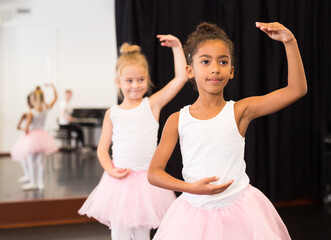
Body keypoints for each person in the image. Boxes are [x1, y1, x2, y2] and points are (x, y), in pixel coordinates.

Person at [148, 22, 307, 239]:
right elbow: (154, 173)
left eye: (223, 61)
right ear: (190, 70)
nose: (215, 68)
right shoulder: (177, 120)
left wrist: (290, 42)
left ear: (231, 71)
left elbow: (296, 89)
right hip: (193, 214)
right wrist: (191, 187)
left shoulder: (240, 111)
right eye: (205, 61)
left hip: (240, 211)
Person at [78, 34, 188, 240]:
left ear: (147, 79)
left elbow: (181, 78)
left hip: (146, 183)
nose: (135, 85)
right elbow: (102, 149)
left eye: (141, 80)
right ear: (118, 82)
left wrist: (177, 47)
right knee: (120, 233)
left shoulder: (152, 105)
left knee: (142, 235)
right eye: (129, 81)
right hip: (119, 182)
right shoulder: (113, 113)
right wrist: (110, 170)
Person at [11, 84, 59, 190]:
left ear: (33, 100)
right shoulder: (45, 107)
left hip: (32, 138)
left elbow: (26, 128)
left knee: (31, 161)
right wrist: (53, 87)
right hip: (42, 137)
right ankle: (41, 184)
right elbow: (55, 98)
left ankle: (33, 182)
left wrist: (20, 126)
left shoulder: (31, 112)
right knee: (41, 162)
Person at [11, 92, 35, 183]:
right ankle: (28, 175)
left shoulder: (32, 113)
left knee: (29, 158)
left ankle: (30, 176)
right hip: (27, 137)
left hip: (30, 137)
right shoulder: (28, 113)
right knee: (24, 157)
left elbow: (27, 128)